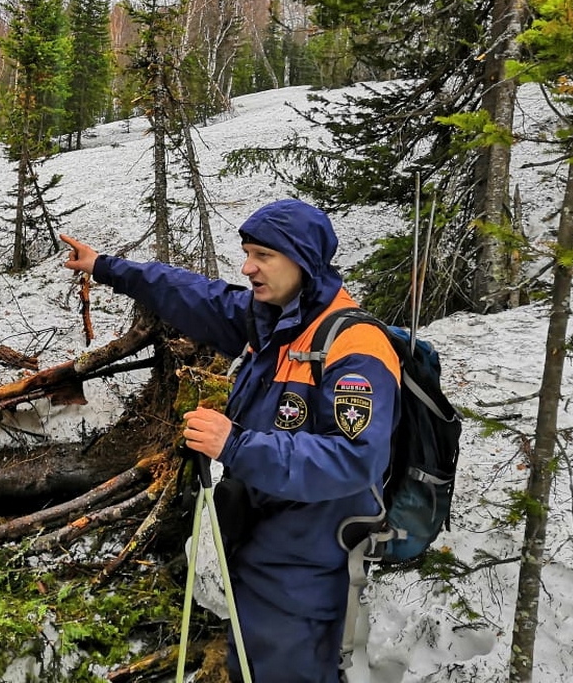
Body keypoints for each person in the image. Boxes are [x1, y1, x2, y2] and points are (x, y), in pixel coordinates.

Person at [60, 199, 401, 683]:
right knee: (249, 662)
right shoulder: (270, 319)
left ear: (302, 260)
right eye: (247, 254)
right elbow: (188, 292)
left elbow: (355, 459)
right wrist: (104, 267)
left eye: (263, 256)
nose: (248, 268)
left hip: (308, 560)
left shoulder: (355, 348)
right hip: (258, 541)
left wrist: (235, 445)